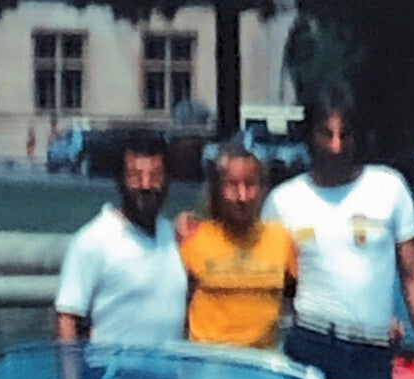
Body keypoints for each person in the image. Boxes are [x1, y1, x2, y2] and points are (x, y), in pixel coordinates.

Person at [264, 84, 414, 379]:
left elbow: (413, 274)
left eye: (345, 135)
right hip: (313, 346)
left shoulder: (388, 187)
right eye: (326, 134)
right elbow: (262, 277)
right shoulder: (284, 201)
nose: (336, 146)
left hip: (373, 355)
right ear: (310, 136)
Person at [54, 131, 187, 344]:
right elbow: (67, 320)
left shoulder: (173, 236)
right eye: (136, 176)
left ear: (168, 181)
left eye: (155, 177)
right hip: (110, 372)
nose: (146, 185)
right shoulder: (92, 240)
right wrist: (71, 378)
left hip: (167, 373)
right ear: (119, 180)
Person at [179, 146, 298, 349]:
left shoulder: (281, 240)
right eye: (232, 185)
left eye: (250, 184)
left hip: (260, 368)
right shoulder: (193, 239)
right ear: (217, 190)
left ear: (262, 189)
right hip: (207, 366)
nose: (242, 196)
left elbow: (298, 297)